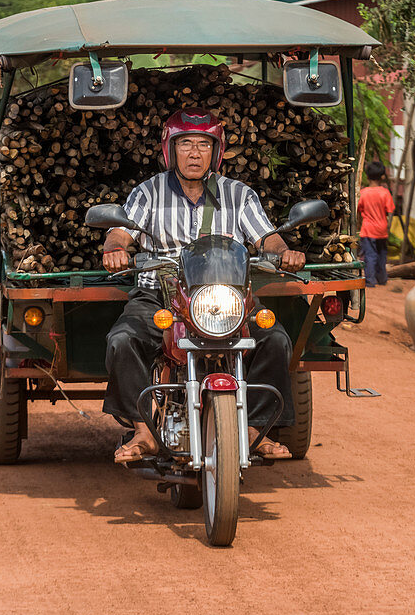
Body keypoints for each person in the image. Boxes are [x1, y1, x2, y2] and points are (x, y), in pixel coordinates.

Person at [102, 108, 304, 464]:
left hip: (227, 300)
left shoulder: (238, 195)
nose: (194, 153)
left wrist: (285, 252)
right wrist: (115, 249)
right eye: (185, 144)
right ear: (170, 149)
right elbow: (119, 232)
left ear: (216, 151)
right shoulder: (148, 193)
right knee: (122, 340)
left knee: (275, 340)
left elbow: (266, 238)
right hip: (161, 297)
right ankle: (144, 431)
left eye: (203, 145)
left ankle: (256, 431)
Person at [357, 160, 395, 287]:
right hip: (382, 230)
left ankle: (370, 281)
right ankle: (382, 279)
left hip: (368, 230)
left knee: (370, 256)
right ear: (382, 176)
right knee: (382, 256)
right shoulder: (385, 193)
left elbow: (358, 212)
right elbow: (390, 212)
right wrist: (387, 227)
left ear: (367, 176)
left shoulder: (363, 193)